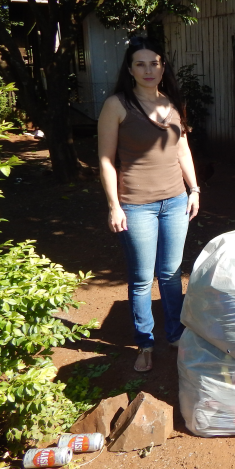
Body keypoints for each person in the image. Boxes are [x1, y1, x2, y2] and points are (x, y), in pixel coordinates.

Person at [97, 36, 200, 372]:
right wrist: (115, 205)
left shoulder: (172, 103)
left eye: (154, 62)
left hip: (175, 202)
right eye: (140, 64)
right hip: (136, 206)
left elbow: (182, 150)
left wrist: (194, 189)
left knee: (171, 274)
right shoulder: (116, 105)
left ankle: (175, 334)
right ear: (130, 69)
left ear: (162, 66)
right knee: (142, 279)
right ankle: (145, 343)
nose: (148, 69)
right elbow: (106, 159)